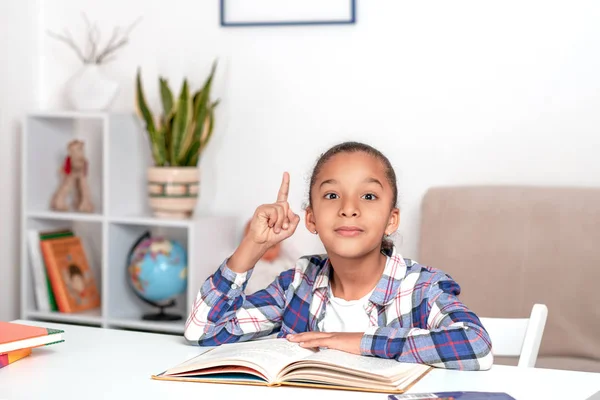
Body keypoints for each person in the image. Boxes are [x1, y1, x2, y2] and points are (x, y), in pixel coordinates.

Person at [184, 141, 493, 371]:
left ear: (391, 219)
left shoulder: (421, 288)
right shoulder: (297, 285)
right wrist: (253, 246)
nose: (348, 208)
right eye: (332, 195)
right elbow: (204, 331)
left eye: (368, 196)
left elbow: (475, 345)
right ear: (312, 219)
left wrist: (354, 341)